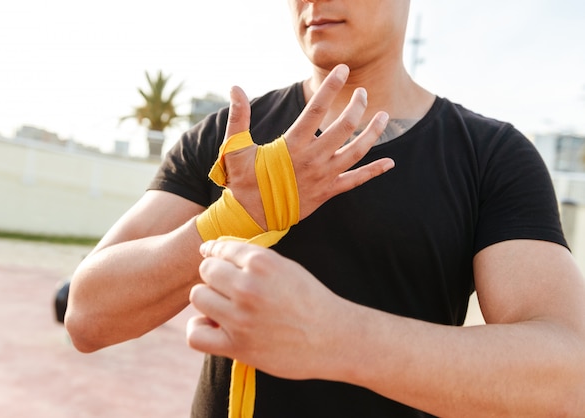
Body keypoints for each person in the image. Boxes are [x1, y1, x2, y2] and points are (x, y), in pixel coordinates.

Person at [65, 0, 585, 416]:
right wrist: (237, 214)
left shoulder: (491, 154)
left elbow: (567, 378)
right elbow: (87, 315)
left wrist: (336, 337)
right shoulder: (229, 138)